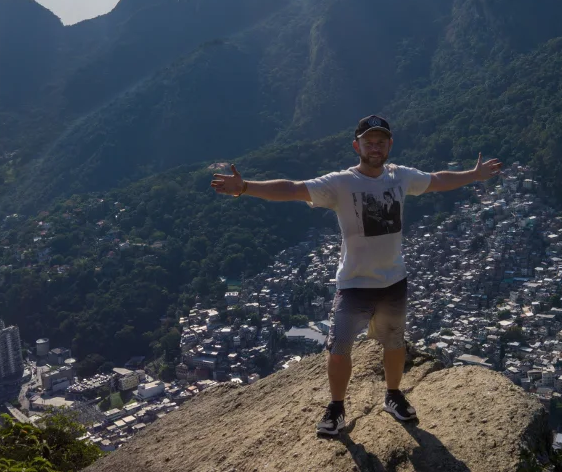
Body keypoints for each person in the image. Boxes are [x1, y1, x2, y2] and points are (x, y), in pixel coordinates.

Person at [210, 114, 502, 437]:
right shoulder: (342, 183)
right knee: (339, 348)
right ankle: (336, 407)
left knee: (394, 343)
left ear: (389, 145)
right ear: (356, 146)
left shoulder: (401, 176)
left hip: (393, 280)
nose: (374, 147)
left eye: (380, 142)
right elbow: (292, 189)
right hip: (353, 284)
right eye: (368, 142)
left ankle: (392, 395)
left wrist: (473, 175)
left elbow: (437, 180)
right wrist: (246, 187)